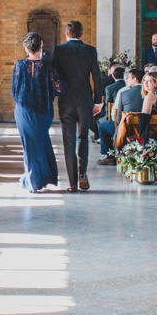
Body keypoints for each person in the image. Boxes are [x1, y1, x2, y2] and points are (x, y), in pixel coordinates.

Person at [51, 20, 104, 192]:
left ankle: (72, 183)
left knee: (68, 142)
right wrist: (98, 101)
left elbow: (54, 76)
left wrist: (53, 97)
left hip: (66, 101)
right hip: (85, 100)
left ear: (66, 34)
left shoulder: (59, 50)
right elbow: (97, 77)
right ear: (82, 34)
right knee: (82, 138)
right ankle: (82, 173)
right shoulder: (90, 50)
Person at [12, 32, 65, 193]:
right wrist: (48, 95)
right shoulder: (48, 66)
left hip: (23, 110)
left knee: (28, 144)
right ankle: (40, 178)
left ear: (26, 48)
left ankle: (33, 180)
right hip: (43, 109)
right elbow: (60, 87)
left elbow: (14, 90)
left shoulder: (19, 65)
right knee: (40, 141)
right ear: (41, 46)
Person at [97, 68, 144, 164]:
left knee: (102, 126)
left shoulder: (124, 93)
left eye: (128, 78)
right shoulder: (149, 92)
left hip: (126, 128)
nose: (126, 80)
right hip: (144, 128)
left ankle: (110, 155)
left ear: (134, 79)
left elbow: (117, 116)